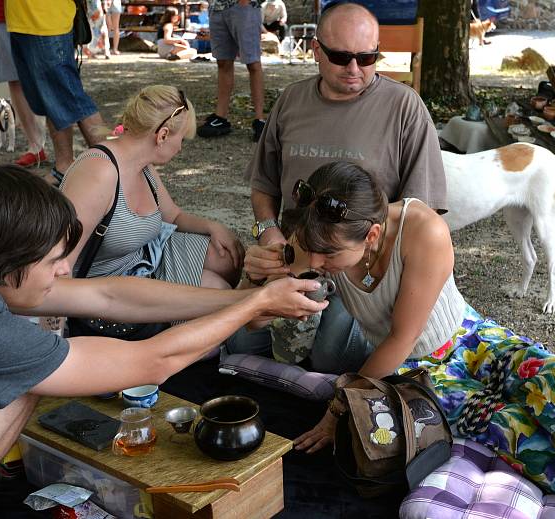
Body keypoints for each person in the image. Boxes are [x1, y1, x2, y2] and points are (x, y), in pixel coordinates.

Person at [247, 161, 555, 519]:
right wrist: (257, 279)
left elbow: (402, 335)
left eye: (329, 256)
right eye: (313, 251)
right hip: (420, 373)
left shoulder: (422, 229)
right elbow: (253, 324)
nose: (319, 264)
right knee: (516, 431)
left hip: (471, 338)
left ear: (372, 235)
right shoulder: (319, 237)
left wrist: (338, 404)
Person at [0, 165, 326, 519]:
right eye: (52, 262)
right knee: (28, 379)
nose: (65, 270)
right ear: (2, 266)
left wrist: (246, 298)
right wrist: (253, 308)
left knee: (24, 378)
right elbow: (151, 362)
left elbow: (109, 294)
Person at [239, 2, 447, 366]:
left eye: (367, 58)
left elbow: (420, 215)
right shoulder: (291, 101)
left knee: (329, 356)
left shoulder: (404, 108)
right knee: (242, 340)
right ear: (316, 50)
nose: (354, 69)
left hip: (355, 264)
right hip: (295, 252)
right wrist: (269, 234)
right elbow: (264, 185)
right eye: (341, 57)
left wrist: (364, 267)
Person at [60, 85, 243, 311]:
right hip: (107, 285)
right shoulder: (99, 173)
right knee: (218, 293)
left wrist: (212, 226)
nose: (180, 149)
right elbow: (60, 263)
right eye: (182, 140)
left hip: (143, 259)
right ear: (163, 135)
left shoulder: (143, 164)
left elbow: (173, 215)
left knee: (227, 257)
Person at [5, 0, 108, 182]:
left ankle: (115, 165)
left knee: (72, 96)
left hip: (47, 22)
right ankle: (64, 165)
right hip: (23, 21)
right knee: (51, 98)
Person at [0, 0, 47, 167]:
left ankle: (57, 149)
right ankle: (35, 146)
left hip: (36, 14)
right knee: (14, 81)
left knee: (44, 80)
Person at [196, 0, 265, 141]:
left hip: (244, 8)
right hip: (217, 8)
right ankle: (220, 117)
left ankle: (260, 120)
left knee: (253, 63)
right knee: (223, 62)